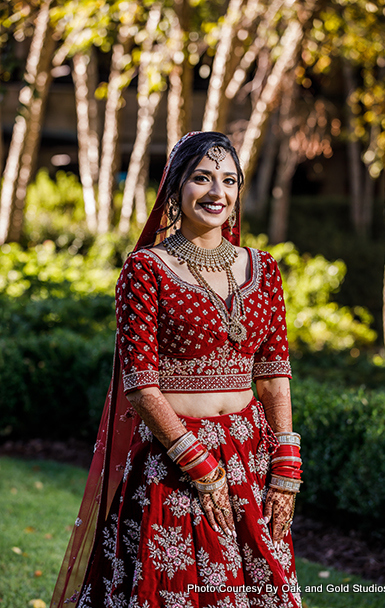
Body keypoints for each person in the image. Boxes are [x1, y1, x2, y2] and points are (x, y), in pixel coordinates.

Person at [51, 131, 303, 608]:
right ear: (175, 187)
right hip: (174, 462)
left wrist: (286, 466)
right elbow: (142, 389)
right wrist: (202, 470)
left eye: (229, 180)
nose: (217, 193)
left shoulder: (264, 270)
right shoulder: (147, 270)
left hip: (251, 458)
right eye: (202, 178)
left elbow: (273, 376)